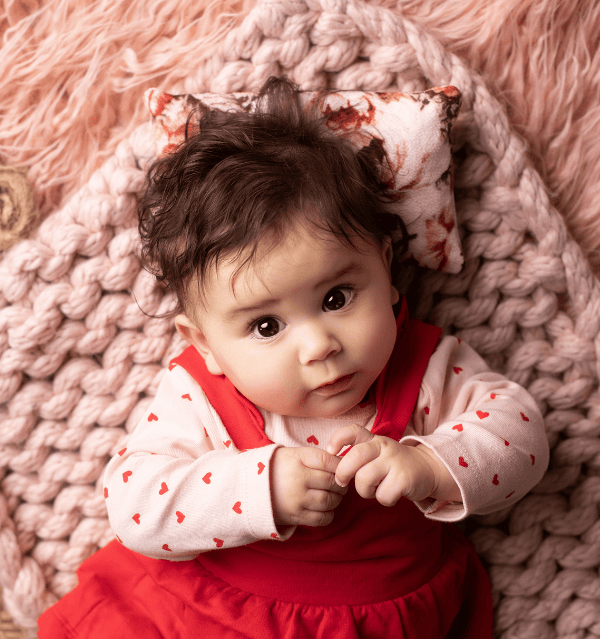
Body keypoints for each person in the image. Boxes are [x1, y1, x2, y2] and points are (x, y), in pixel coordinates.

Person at [38, 77, 549, 639]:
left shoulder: (426, 368)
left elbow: (521, 437)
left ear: (386, 269)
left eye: (336, 299)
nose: (319, 345)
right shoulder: (202, 398)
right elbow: (135, 504)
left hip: (384, 618)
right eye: (265, 326)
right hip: (210, 614)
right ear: (204, 343)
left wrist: (430, 465)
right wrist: (257, 487)